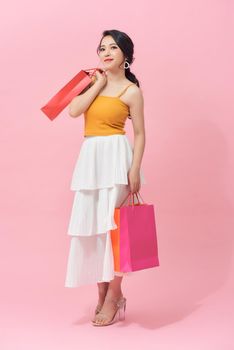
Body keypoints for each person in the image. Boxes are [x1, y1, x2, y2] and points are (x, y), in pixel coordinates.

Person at [64, 29, 146, 326]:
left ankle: (113, 295)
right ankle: (101, 293)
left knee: (116, 231)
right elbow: (74, 111)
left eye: (113, 47)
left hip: (116, 160)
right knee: (94, 229)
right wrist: (97, 84)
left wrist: (134, 169)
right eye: (102, 49)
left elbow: (140, 135)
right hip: (91, 160)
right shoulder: (92, 84)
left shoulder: (131, 91)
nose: (106, 53)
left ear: (126, 56)